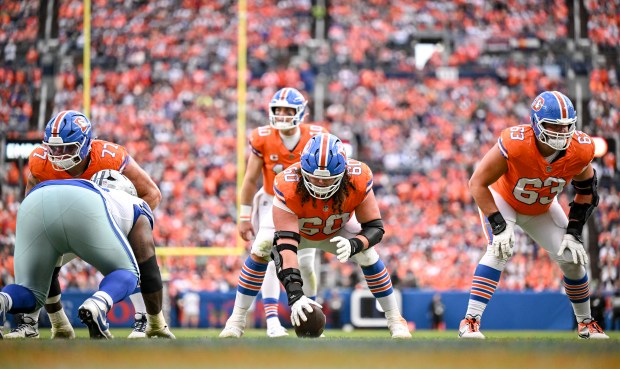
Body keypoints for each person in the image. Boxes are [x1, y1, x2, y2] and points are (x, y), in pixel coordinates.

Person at [459, 91, 609, 339]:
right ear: (536, 123)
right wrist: (498, 224)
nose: (561, 133)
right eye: (553, 126)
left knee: (572, 259)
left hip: (542, 206)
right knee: (499, 250)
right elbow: (477, 183)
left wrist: (573, 232)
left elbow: (587, 192)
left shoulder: (581, 149)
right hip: (503, 200)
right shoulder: (516, 142)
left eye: (566, 127)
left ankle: (586, 323)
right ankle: (470, 321)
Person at [6, 110, 162, 339]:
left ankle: (143, 320)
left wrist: (122, 225)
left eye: (67, 148)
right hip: (60, 226)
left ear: (86, 144)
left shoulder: (110, 157)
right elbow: (31, 205)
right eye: (54, 148)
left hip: (102, 226)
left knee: (134, 261)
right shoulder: (40, 161)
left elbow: (152, 194)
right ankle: (49, 324)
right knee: (40, 266)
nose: (58, 154)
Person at [269, 133, 410, 338]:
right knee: (263, 246)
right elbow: (286, 245)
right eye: (314, 177)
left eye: (327, 180)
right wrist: (295, 295)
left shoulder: (358, 177)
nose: (320, 184)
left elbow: (375, 227)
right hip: (299, 231)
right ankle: (236, 321)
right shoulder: (287, 183)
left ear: (343, 173)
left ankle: (395, 318)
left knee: (368, 254)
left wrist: (354, 244)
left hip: (335, 230)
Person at [220, 87, 327, 338]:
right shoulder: (263, 137)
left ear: (302, 113)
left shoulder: (316, 136)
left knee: (306, 266)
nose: (281, 114)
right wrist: (244, 216)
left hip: (304, 207)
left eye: (288, 110)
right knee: (266, 256)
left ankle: (310, 313)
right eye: (277, 109)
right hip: (272, 202)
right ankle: (270, 322)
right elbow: (249, 180)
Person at [0, 177, 158, 339]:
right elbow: (147, 266)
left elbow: (51, 273)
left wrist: (59, 322)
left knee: (31, 291)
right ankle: (98, 304)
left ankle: (4, 301)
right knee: (130, 271)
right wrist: (157, 322)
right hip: (85, 203)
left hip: (32, 200)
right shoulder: (131, 202)